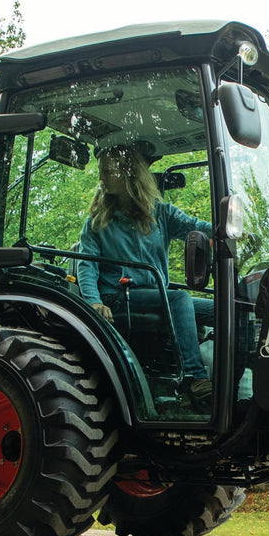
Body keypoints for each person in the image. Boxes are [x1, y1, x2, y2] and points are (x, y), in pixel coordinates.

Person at [75, 144, 215, 404]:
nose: (101, 178)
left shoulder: (161, 213)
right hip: (118, 297)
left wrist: (228, 230)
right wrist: (94, 301)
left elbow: (197, 228)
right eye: (101, 172)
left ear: (129, 174)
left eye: (107, 172)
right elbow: (87, 265)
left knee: (224, 309)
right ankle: (194, 378)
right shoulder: (98, 221)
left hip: (156, 295)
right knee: (180, 299)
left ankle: (231, 381)